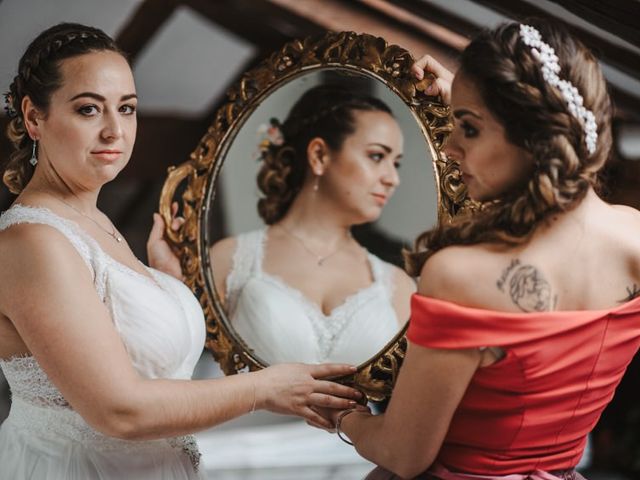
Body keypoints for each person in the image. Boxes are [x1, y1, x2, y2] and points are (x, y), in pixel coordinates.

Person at [0, 23, 363, 480]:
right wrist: (264, 388)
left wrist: (166, 284)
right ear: (34, 117)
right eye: (89, 109)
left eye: (127, 109)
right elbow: (119, 411)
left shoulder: (94, 225)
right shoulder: (33, 240)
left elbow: (138, 363)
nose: (115, 131)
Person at [314, 20, 640, 480]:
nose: (448, 148)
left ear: (532, 135)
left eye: (467, 129)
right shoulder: (633, 238)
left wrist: (345, 416)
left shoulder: (461, 275)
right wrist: (473, 106)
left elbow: (404, 455)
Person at [149, 84, 416, 365]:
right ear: (319, 155)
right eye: (377, 156)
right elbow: (171, 369)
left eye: (395, 163)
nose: (392, 178)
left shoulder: (397, 286)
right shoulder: (230, 260)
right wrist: (169, 290)